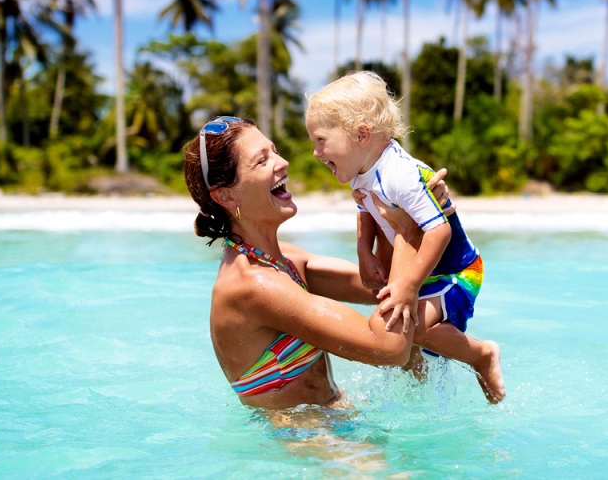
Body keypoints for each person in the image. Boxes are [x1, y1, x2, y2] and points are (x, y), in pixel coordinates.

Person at [184, 115, 449, 409]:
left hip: (333, 419)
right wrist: (409, 228)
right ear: (226, 195)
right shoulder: (252, 285)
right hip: (300, 439)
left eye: (274, 150)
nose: (282, 162)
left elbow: (385, 285)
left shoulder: (283, 259)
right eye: (261, 161)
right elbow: (389, 348)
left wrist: (408, 204)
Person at [305, 72, 506, 404]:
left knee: (412, 330)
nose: (314, 152)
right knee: (405, 340)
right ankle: (423, 396)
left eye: (321, 140)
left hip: (457, 271)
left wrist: (409, 286)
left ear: (361, 134)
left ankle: (481, 356)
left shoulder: (400, 174)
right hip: (425, 270)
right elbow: (365, 209)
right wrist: (363, 251)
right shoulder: (360, 173)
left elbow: (438, 230)